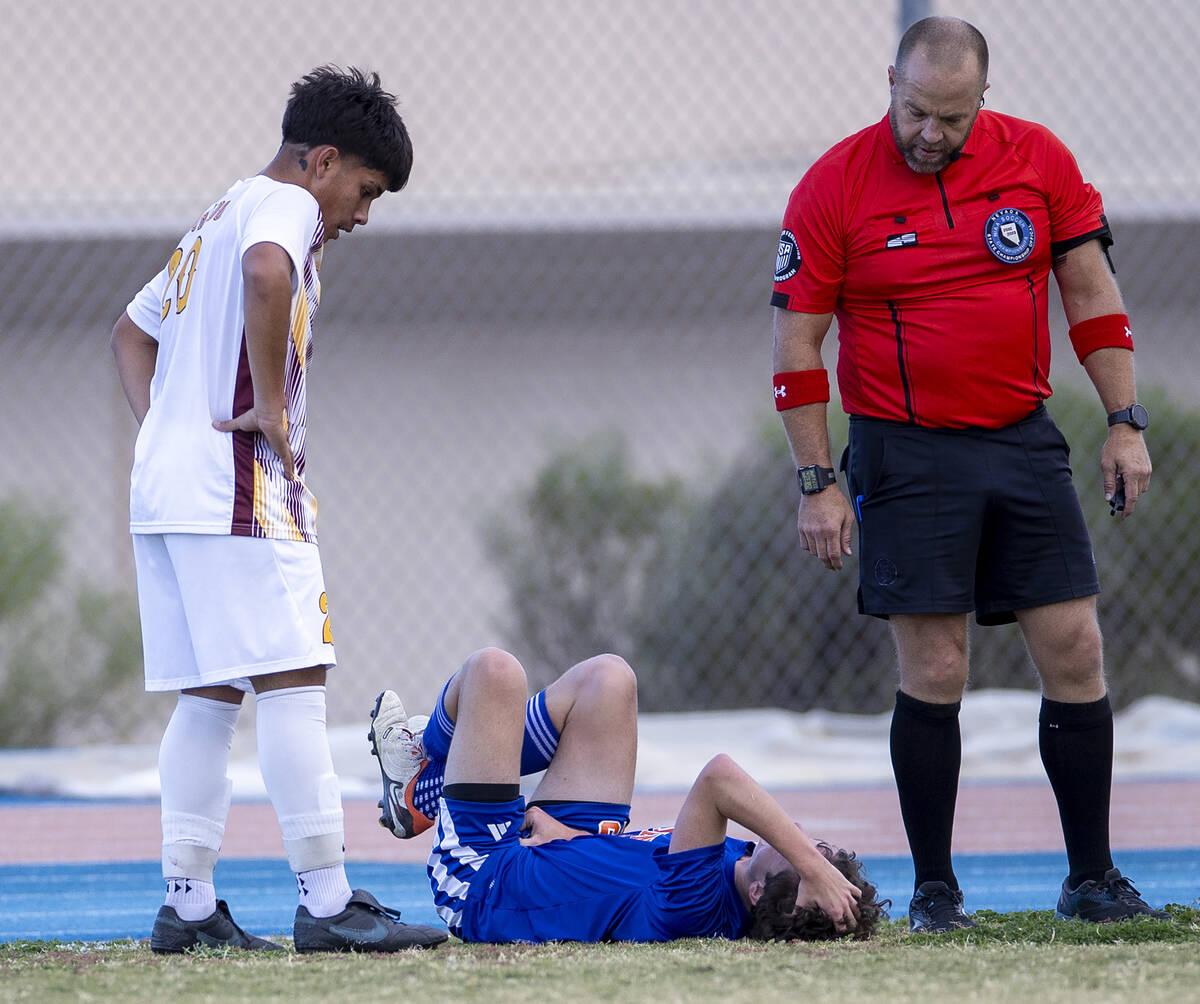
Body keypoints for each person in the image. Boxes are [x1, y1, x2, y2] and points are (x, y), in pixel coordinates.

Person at [770, 16, 1166, 931]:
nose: (930, 134)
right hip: (904, 449)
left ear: (982, 99)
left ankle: (1093, 878)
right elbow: (797, 341)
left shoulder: (1039, 161)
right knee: (937, 664)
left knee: (1075, 648)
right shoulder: (833, 186)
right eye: (916, 112)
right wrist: (817, 479)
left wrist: (1123, 422)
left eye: (952, 117)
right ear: (892, 87)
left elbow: (1092, 294)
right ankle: (937, 891)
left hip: (1022, 438)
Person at [110, 66, 446, 953]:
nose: (362, 214)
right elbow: (269, 274)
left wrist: (168, 431)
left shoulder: (217, 210)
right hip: (235, 485)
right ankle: (330, 904)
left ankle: (187, 910)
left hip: (167, 491)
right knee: (297, 677)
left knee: (209, 694)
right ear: (322, 159)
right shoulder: (282, 209)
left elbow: (131, 331)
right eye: (364, 190)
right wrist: (261, 403)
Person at [367, 648, 888, 943]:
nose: (805, 841)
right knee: (609, 681)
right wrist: (572, 837)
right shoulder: (741, 862)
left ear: (757, 896)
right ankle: (425, 787)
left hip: (487, 877)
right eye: (824, 850)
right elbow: (642, 862)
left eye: (808, 859)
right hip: (560, 844)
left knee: (496, 674)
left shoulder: (700, 907)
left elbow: (720, 778)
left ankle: (417, 756)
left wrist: (816, 873)